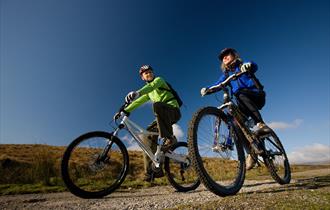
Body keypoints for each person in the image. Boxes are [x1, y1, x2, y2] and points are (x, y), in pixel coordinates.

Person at [200, 48, 271, 170]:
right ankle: (251, 153)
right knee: (235, 123)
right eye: (223, 57)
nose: (225, 57)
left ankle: (261, 124)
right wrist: (207, 89)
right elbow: (217, 84)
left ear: (234, 55)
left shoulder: (242, 65)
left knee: (239, 94)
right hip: (243, 103)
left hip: (256, 95)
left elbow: (253, 65)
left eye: (227, 54)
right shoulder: (226, 75)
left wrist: (248, 66)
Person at [123, 64, 181, 181]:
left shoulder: (159, 80)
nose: (148, 74)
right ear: (142, 78)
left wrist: (138, 92)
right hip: (160, 116)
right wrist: (124, 110)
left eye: (150, 72)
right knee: (146, 136)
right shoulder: (149, 93)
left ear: (153, 73)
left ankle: (170, 138)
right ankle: (153, 171)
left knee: (157, 105)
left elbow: (152, 87)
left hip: (172, 111)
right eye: (145, 73)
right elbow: (138, 102)